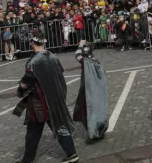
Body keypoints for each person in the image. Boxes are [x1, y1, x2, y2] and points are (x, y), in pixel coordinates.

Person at [14, 33, 79, 163]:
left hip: (40, 102)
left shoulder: (33, 62)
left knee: (33, 131)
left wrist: (20, 89)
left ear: (32, 42)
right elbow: (60, 74)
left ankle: (27, 160)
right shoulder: (53, 56)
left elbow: (26, 83)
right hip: (55, 99)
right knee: (59, 126)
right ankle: (72, 153)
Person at [73, 40, 109, 142]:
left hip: (89, 91)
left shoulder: (86, 62)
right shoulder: (95, 60)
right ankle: (100, 130)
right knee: (92, 111)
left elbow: (77, 55)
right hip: (95, 91)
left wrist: (80, 44)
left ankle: (94, 134)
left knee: (88, 112)